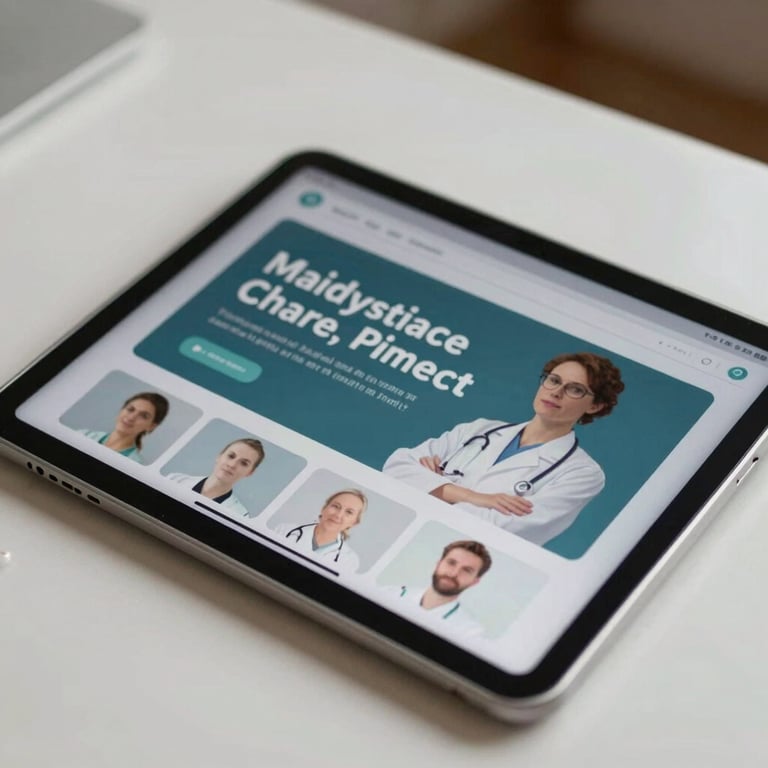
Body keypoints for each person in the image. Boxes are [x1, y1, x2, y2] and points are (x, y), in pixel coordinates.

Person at [383, 352, 624, 545]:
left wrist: (431, 486)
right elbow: (397, 467)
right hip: (396, 533)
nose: (556, 392)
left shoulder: (582, 473)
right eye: (553, 380)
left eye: (575, 389)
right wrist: (475, 498)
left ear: (595, 406)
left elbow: (502, 529)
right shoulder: (479, 429)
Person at [394, 540, 491, 639]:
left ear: (474, 582)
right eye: (451, 563)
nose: (453, 573)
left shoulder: (470, 632)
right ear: (438, 564)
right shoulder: (391, 594)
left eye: (466, 570)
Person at [273, 489, 367, 573]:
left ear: (354, 522)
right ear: (323, 508)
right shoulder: (284, 530)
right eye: (336, 506)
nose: (338, 515)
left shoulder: (349, 560)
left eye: (349, 512)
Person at [166, 438, 265, 517]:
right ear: (219, 456)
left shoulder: (240, 515)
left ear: (250, 472)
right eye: (231, 456)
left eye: (243, 463)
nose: (232, 464)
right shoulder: (174, 479)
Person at [78, 392, 169, 464]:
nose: (131, 418)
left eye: (143, 416)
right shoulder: (82, 434)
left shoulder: (136, 465)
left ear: (151, 426)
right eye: (130, 409)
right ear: (121, 410)